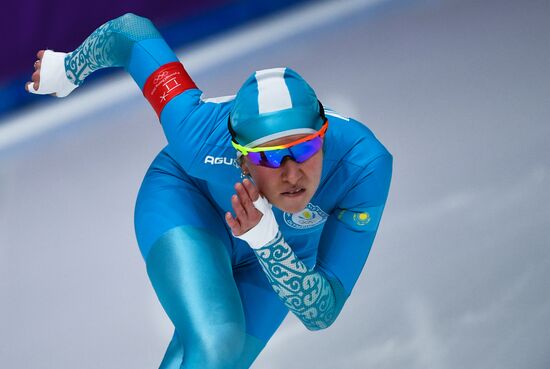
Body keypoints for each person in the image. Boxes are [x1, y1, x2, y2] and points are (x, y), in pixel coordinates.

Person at [26, 13, 392, 369]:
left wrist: (267, 241)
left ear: (324, 136)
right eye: (270, 156)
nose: (292, 173)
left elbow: (321, 312)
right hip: (187, 203)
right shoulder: (199, 134)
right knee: (217, 346)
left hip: (280, 246)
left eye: (306, 148)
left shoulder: (364, 166)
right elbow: (130, 32)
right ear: (242, 160)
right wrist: (68, 69)